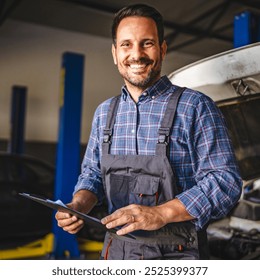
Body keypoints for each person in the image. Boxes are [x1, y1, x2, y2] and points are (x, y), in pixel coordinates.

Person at [55, 3, 242, 260]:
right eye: (126, 45)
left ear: (162, 49)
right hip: (116, 254)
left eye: (147, 43)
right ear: (114, 53)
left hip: (177, 255)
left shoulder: (195, 107)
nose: (136, 54)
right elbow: (93, 175)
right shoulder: (104, 113)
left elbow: (225, 182)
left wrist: (161, 213)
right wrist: (79, 205)